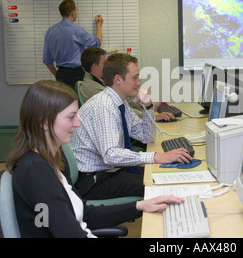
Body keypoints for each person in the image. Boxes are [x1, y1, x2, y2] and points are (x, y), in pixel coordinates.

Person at [6, 80, 184, 238]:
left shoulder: (49, 161)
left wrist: (140, 205)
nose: (78, 123)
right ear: (43, 122)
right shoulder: (36, 172)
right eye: (71, 117)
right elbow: (68, 233)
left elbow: (84, 213)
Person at [70, 53, 192, 200]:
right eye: (135, 78)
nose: (139, 83)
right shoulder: (104, 106)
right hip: (93, 181)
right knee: (159, 185)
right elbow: (111, 155)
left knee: (165, 177)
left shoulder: (121, 103)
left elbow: (146, 136)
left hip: (109, 171)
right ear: (118, 80)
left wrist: (147, 107)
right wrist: (156, 156)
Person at [79, 47, 175, 122]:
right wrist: (152, 117)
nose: (139, 83)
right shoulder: (95, 92)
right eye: (104, 62)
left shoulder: (101, 81)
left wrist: (150, 108)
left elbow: (128, 106)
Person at [43, 0, 103, 89]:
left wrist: (58, 75)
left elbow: (47, 61)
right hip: (77, 75)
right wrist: (99, 25)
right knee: (78, 102)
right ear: (73, 13)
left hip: (61, 74)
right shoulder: (77, 30)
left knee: (64, 102)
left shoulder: (50, 31)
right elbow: (96, 43)